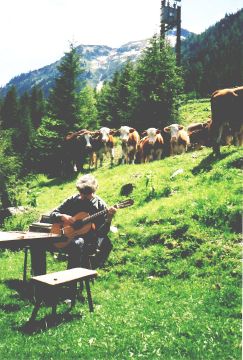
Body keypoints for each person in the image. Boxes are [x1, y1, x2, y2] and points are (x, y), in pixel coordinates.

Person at [49, 174, 116, 270]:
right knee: (38, 244)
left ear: (94, 190)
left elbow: (102, 233)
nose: (83, 196)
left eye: (87, 193)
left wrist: (109, 218)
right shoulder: (73, 200)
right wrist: (62, 216)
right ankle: (37, 280)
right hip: (66, 235)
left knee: (76, 244)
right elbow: (53, 214)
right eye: (81, 192)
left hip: (89, 240)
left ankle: (71, 280)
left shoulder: (100, 205)